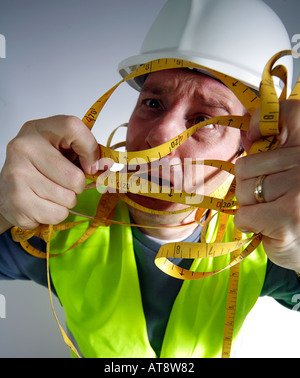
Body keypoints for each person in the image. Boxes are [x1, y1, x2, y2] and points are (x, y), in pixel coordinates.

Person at [0, 0, 299, 358]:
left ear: (248, 150)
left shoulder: (269, 243)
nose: (160, 135)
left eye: (206, 119)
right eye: (153, 104)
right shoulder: (57, 218)